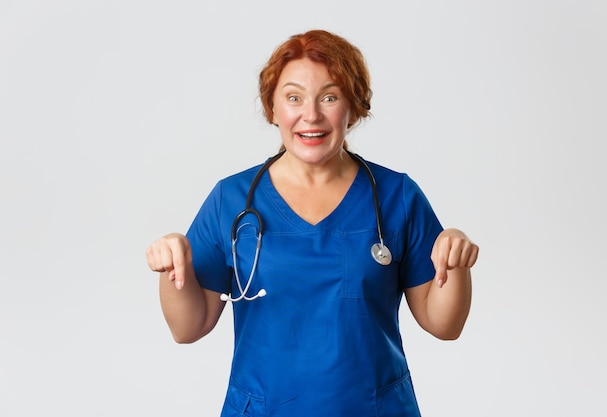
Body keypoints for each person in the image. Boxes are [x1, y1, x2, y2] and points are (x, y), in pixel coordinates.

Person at [146, 29, 479, 417]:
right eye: (293, 98)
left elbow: (444, 324)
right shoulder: (232, 200)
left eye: (330, 97)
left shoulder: (397, 196)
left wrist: (455, 259)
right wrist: (172, 265)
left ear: (353, 108)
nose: (311, 115)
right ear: (272, 109)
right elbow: (188, 328)